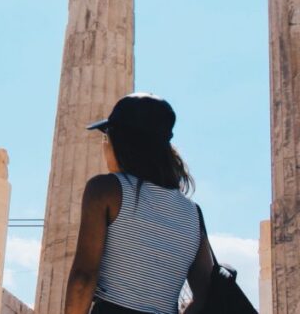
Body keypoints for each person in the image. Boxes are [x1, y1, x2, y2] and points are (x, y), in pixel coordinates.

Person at [64, 93, 214, 314]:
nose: (104, 146)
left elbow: (83, 279)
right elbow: (207, 295)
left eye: (106, 137)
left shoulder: (105, 191)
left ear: (123, 143)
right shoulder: (193, 214)